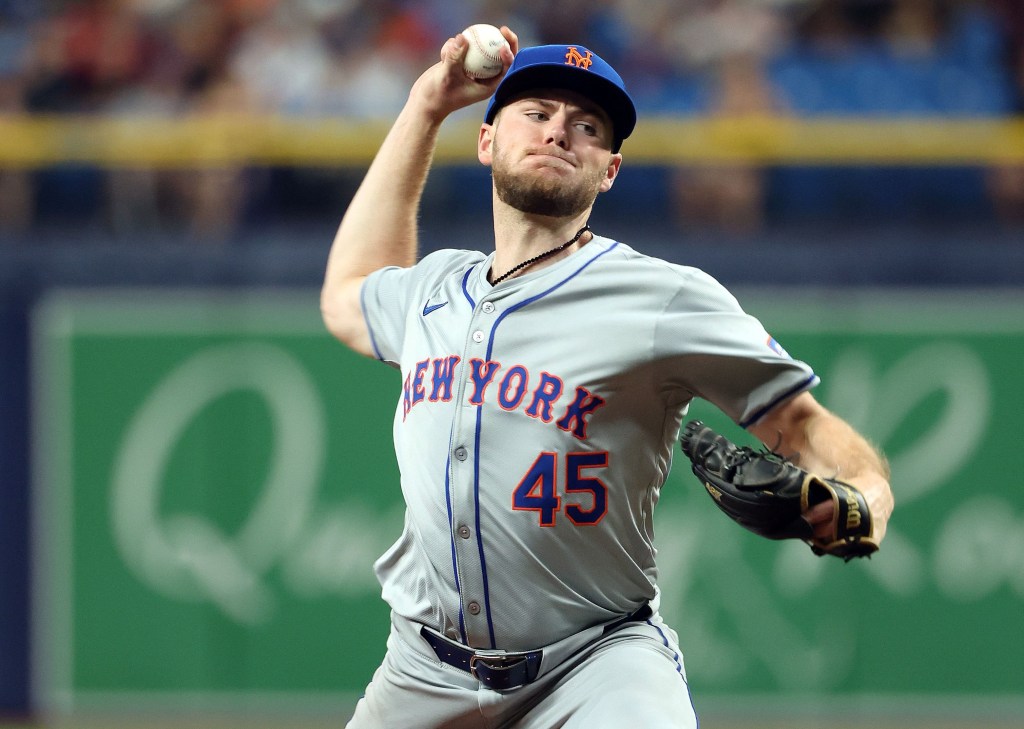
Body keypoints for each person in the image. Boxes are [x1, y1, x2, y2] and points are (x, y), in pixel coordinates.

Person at [320, 26, 894, 729]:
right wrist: (425, 106)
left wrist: (867, 495)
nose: (560, 131)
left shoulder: (661, 296)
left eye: (587, 125)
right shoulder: (433, 287)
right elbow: (349, 290)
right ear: (487, 140)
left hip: (595, 666)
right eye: (537, 112)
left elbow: (802, 421)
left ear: (610, 169)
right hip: (421, 668)